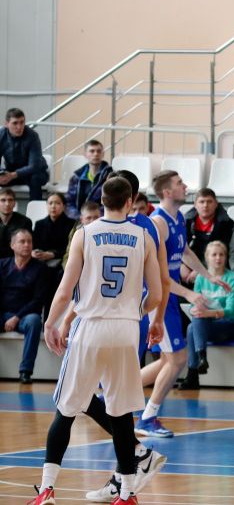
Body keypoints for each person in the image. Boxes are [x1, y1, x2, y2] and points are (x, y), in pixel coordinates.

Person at [29, 177, 162, 505]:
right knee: (120, 414)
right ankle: (127, 494)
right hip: (126, 330)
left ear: (101, 200)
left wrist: (51, 323)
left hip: (90, 327)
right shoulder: (144, 237)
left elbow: (65, 291)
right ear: (129, 202)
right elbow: (157, 294)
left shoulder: (84, 234)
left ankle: (47, 490)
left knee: (66, 410)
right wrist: (134, 312)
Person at [135, 170, 231, 438]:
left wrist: (208, 276)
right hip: (156, 298)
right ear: (167, 191)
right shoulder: (158, 223)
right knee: (178, 359)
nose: (185, 186)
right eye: (180, 184)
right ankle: (147, 418)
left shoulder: (178, 218)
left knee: (169, 360)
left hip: (169, 296)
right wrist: (188, 294)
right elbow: (157, 274)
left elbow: (185, 252)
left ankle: (109, 396)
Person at [180, 241, 234, 390]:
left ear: (226, 257)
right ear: (207, 257)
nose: (218, 258)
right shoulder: (201, 278)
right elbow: (195, 304)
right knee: (193, 324)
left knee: (192, 327)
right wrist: (195, 310)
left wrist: (207, 313)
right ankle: (201, 359)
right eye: (214, 255)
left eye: (221, 254)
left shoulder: (232, 278)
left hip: (228, 324)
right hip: (205, 325)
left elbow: (231, 311)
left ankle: (193, 373)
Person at [0, 228, 46, 384]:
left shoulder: (40, 269)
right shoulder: (2, 265)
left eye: (29, 242)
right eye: (22, 241)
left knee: (34, 321)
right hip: (3, 314)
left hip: (24, 317)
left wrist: (16, 317)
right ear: (12, 245)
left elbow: (38, 300)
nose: (27, 245)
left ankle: (25, 371)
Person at [182, 188, 234, 284]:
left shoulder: (227, 224)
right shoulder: (186, 222)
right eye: (202, 202)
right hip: (189, 263)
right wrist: (182, 265)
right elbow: (180, 248)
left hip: (215, 264)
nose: (205, 205)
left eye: (209, 202)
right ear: (195, 204)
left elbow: (224, 252)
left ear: (216, 204)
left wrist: (200, 270)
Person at [0, 108, 48, 200]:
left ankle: (35, 208)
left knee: (35, 178)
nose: (19, 127)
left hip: (35, 172)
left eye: (22, 122)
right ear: (6, 124)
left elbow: (34, 166)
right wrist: (2, 174)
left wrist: (12, 175)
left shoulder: (33, 136)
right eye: (15, 123)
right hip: (12, 172)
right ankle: (4, 206)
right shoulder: (1, 135)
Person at [65, 139, 113, 220]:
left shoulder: (111, 177)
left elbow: (112, 202)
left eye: (99, 151)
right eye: (92, 151)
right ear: (85, 154)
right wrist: (80, 217)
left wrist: (94, 217)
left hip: (101, 220)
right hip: (79, 219)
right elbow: (69, 202)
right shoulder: (76, 178)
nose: (96, 154)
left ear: (103, 154)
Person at [61, 201, 101, 267]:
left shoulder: (106, 231)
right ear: (82, 219)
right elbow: (68, 256)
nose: (92, 221)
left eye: (96, 217)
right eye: (89, 218)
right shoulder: (75, 232)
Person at [0, 187, 32, 258]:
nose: (7, 204)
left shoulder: (25, 222)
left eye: (10, 200)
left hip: (16, 260)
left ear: (14, 203)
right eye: (3, 200)